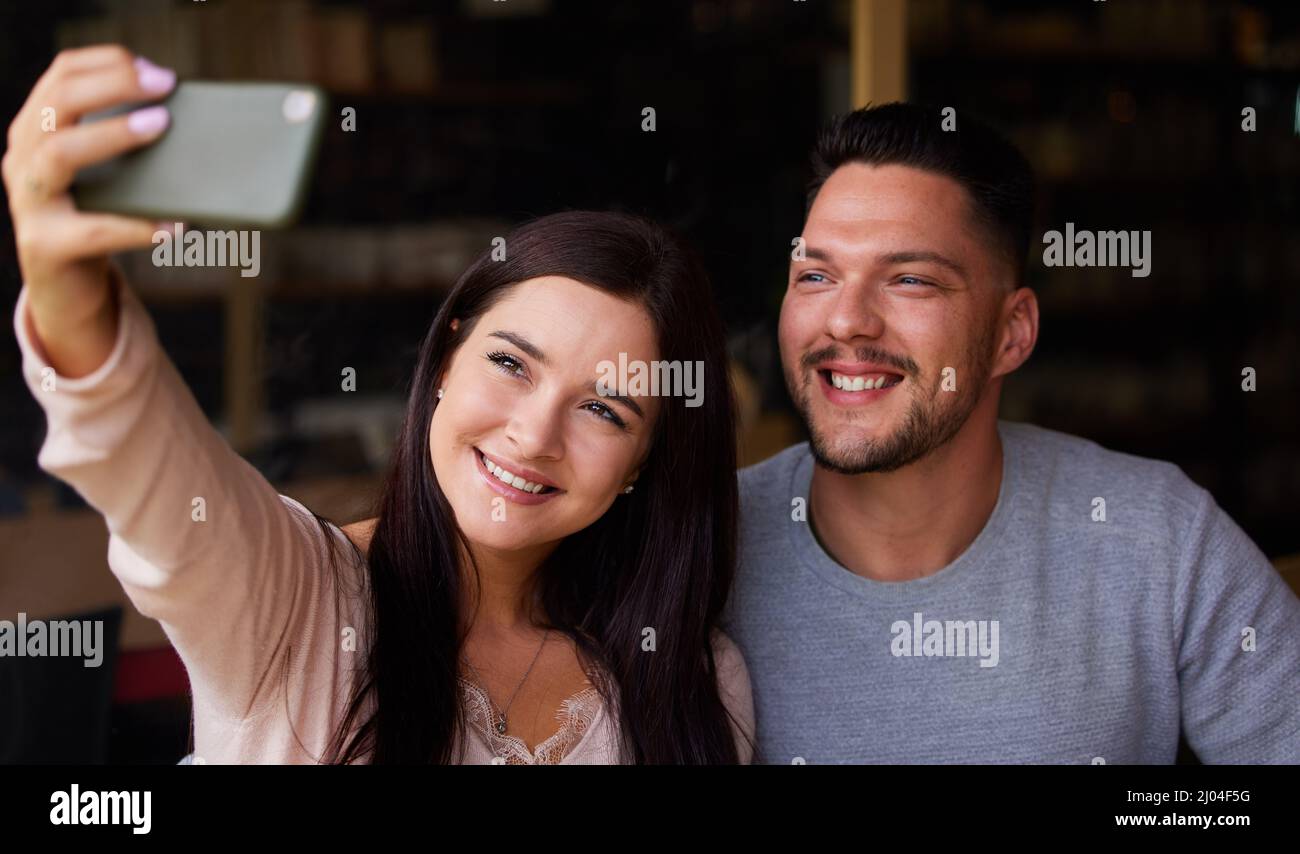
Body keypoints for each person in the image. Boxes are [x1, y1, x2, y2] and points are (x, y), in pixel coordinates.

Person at [7, 46, 754, 764]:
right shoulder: (299, 600)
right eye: (508, 364)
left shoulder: (691, 678)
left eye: (605, 410)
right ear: (445, 363)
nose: (532, 435)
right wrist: (72, 301)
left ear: (644, 461)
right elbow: (160, 482)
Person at [722, 101, 1300, 764]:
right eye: (816, 276)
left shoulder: (1157, 537)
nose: (847, 320)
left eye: (910, 279)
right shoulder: (700, 548)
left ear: (1011, 333)